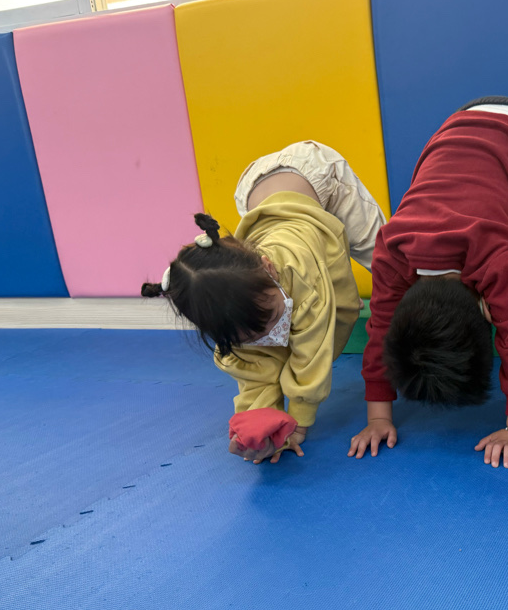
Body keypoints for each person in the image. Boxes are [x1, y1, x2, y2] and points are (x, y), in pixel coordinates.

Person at [349, 96, 508, 468]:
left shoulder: (493, 259)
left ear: (484, 313)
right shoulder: (392, 250)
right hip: (458, 124)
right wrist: (378, 418)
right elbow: (381, 328)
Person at [141, 141, 386, 463]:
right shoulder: (234, 306)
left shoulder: (302, 276)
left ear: (270, 269)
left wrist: (297, 423)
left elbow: (313, 353)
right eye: (253, 336)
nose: (270, 335)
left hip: (316, 173)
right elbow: (251, 366)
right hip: (253, 192)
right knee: (265, 320)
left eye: (271, 319)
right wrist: (259, 421)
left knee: (385, 259)